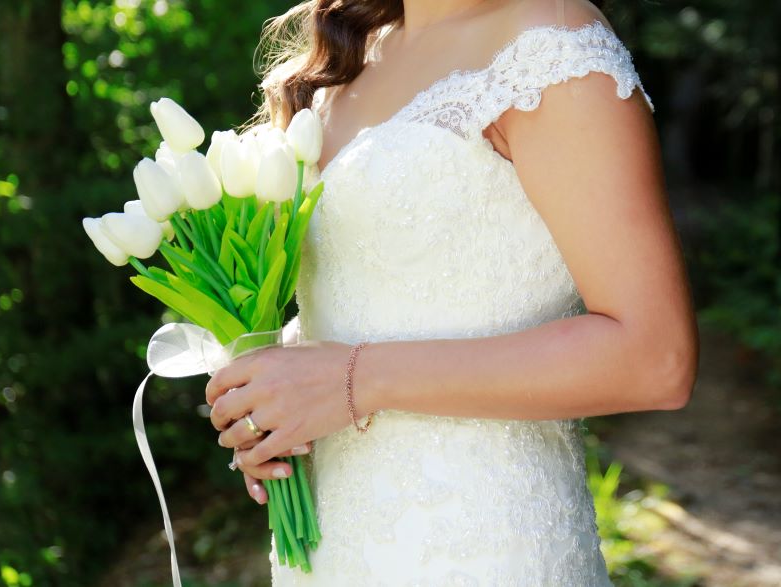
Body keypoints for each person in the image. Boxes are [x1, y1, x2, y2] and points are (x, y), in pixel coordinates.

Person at [204, 0, 700, 584]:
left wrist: (355, 379)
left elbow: (654, 358)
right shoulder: (357, 50)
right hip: (330, 544)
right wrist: (277, 392)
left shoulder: (550, 41)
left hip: (479, 541)